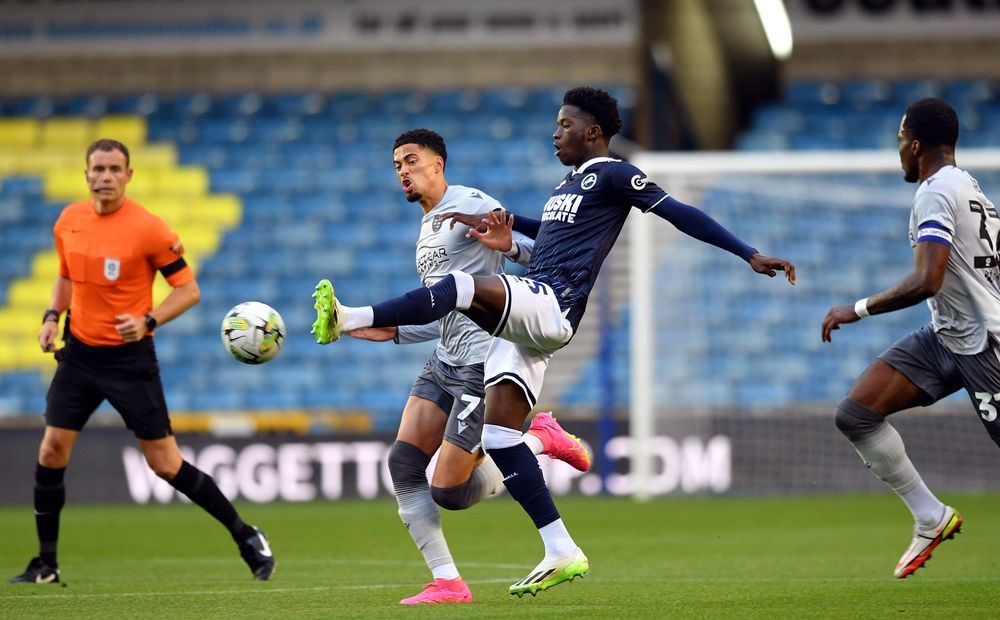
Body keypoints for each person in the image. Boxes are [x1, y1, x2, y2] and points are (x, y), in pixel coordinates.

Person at [312, 87, 796, 597]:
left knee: (456, 288)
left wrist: (748, 253)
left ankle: (347, 315)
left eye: (564, 124)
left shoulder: (613, 172)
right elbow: (552, 234)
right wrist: (507, 232)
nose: (554, 132)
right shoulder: (569, 185)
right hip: (526, 316)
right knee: (495, 443)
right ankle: (559, 538)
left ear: (593, 132)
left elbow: (677, 211)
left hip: (552, 301)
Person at [9, 139, 275, 584]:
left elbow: (189, 291)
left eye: (115, 169)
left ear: (129, 175)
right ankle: (46, 564)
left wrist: (149, 319)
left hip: (130, 360)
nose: (106, 176)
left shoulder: (149, 229)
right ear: (87, 173)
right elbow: (65, 275)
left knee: (165, 464)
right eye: (98, 168)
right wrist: (52, 317)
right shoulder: (69, 221)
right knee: (52, 450)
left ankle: (246, 535)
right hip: (78, 354)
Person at [344, 128, 592, 605]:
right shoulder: (428, 223)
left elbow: (551, 255)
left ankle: (541, 439)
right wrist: (394, 331)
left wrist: (510, 247)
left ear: (438, 163)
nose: (403, 171)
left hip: (483, 366)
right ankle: (448, 582)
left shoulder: (471, 203)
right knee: (403, 462)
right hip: (444, 360)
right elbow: (445, 307)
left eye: (411, 161)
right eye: (397, 165)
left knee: (450, 493)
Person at [823, 97, 999, 579]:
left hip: (987, 345)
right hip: (947, 335)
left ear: (916, 145)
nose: (899, 148)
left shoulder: (936, 192)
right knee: (856, 413)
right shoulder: (968, 187)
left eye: (901, 139)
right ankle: (930, 516)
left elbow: (927, 281)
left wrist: (856, 309)